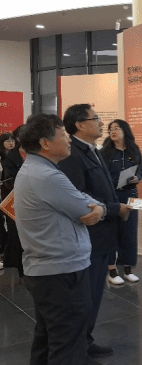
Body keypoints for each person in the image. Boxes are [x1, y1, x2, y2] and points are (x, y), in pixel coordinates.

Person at [14, 113, 105, 365]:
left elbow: (80, 197)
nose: (69, 140)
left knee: (47, 339)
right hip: (61, 273)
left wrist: (97, 207)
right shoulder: (47, 176)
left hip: (47, 270)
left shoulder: (38, 169)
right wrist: (99, 209)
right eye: (63, 134)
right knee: (67, 345)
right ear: (45, 143)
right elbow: (84, 208)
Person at [58, 104, 131, 360]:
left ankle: (86, 341)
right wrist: (114, 208)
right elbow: (80, 197)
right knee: (84, 298)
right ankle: (78, 348)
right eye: (96, 118)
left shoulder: (94, 150)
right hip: (90, 236)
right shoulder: (72, 154)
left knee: (94, 295)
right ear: (79, 124)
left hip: (103, 235)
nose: (102, 123)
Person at [101, 119, 142, 285]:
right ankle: (112, 271)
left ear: (125, 130)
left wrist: (137, 178)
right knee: (111, 233)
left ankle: (127, 269)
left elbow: (141, 169)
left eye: (117, 128)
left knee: (129, 233)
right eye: (111, 129)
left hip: (130, 195)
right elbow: (101, 175)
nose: (113, 131)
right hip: (112, 196)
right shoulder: (105, 152)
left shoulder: (134, 150)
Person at [1, 125, 25, 280]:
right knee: (16, 233)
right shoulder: (10, 158)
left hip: (33, 201)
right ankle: (17, 267)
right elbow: (9, 182)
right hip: (15, 200)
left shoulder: (37, 154)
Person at [0, 132, 16, 268]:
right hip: (4, 193)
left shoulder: (17, 156)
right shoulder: (2, 158)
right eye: (7, 141)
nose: (11, 143)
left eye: (12, 140)